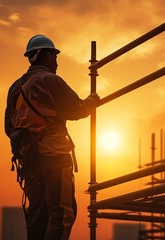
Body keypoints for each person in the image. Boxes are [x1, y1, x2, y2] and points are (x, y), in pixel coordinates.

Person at [5, 34, 99, 240]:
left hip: (29, 163)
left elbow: (8, 128)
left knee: (37, 219)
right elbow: (77, 110)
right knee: (61, 215)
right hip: (54, 157)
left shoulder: (14, 88)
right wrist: (93, 100)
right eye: (54, 55)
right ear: (44, 55)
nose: (56, 61)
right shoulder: (50, 80)